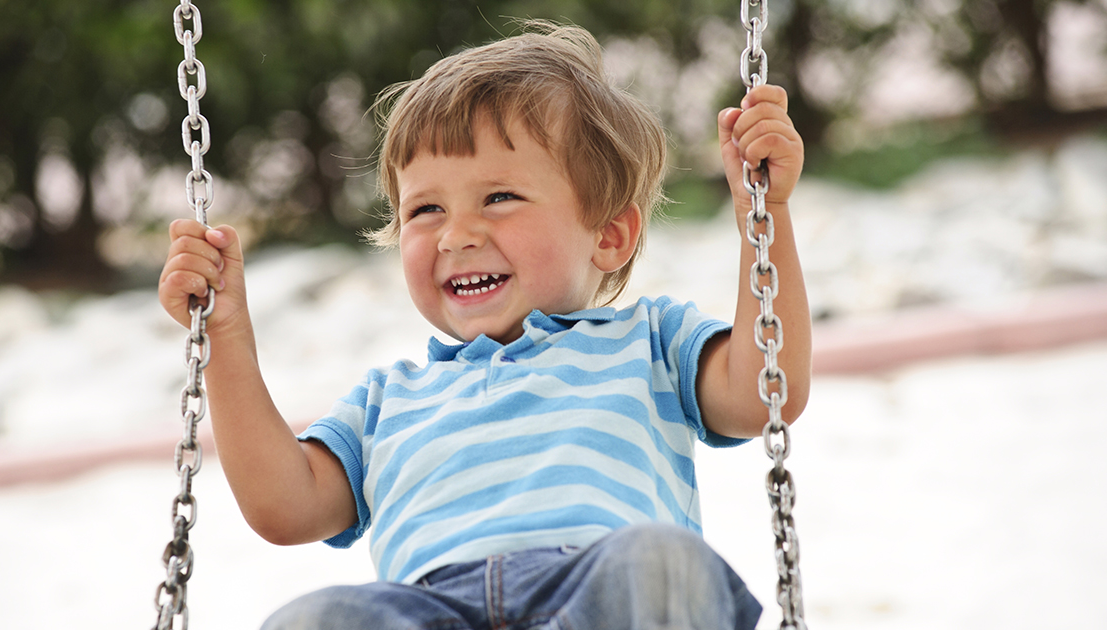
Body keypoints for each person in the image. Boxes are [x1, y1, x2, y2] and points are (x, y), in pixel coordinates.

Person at [158, 21, 809, 630]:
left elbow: (764, 390)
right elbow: (285, 506)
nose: (457, 235)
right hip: (430, 609)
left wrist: (765, 214)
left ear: (609, 235)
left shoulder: (650, 342)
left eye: (499, 198)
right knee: (315, 618)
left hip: (595, 598)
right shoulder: (388, 402)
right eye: (425, 210)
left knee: (661, 562)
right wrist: (224, 336)